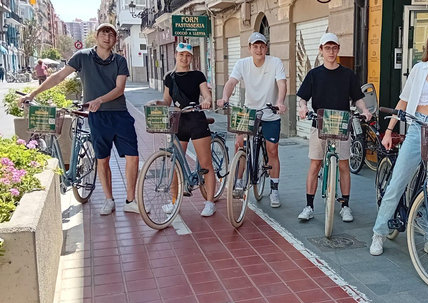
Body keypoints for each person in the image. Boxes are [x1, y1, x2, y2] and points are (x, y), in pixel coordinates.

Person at [21, 23, 139, 216]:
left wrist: (100, 100)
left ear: (115, 39)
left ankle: (130, 200)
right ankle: (109, 200)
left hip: (119, 113)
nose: (107, 37)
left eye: (111, 34)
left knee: (133, 156)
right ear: (96, 35)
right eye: (104, 33)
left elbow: (119, 89)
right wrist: (33, 93)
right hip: (97, 117)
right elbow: (59, 77)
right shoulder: (82, 57)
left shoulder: (120, 60)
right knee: (103, 159)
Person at [370, 24, 428, 257]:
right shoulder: (419, 69)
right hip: (417, 127)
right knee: (398, 182)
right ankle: (379, 233)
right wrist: (388, 130)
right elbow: (403, 102)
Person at [297, 32, 372, 222]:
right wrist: (303, 107)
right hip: (319, 124)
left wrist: (365, 110)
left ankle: (345, 206)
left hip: (341, 125)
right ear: (321, 50)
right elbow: (303, 97)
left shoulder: (347, 74)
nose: (331, 51)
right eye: (327, 48)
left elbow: (357, 98)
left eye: (334, 48)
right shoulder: (314, 74)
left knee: (344, 165)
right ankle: (309, 205)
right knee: (315, 164)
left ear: (338, 49)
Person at [217, 32, 287, 208]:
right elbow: (231, 82)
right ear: (249, 48)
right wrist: (225, 97)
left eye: (262, 46)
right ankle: (239, 181)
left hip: (270, 112)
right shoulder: (242, 64)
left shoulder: (275, 62)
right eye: (255, 46)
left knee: (272, 151)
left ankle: (274, 189)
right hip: (248, 113)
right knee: (240, 144)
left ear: (266, 48)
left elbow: (282, 84)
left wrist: (280, 102)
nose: (259, 49)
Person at [148, 43, 216, 217]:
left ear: (191, 58)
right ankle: (173, 201)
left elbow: (206, 93)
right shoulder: (169, 77)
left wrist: (207, 100)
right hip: (178, 121)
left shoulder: (197, 75)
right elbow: (166, 101)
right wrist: (157, 103)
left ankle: (209, 202)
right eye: (181, 55)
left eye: (188, 56)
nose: (184, 58)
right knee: (175, 163)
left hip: (195, 118)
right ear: (176, 55)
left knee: (205, 163)